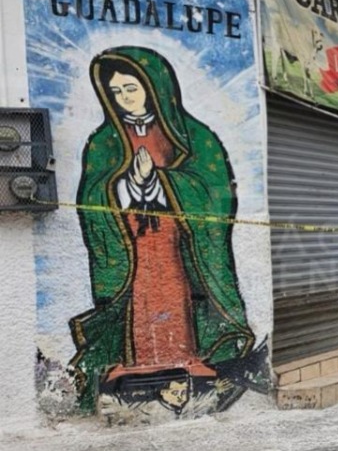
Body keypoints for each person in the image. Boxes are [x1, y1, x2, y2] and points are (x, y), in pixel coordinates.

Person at [69, 46, 257, 414]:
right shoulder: (102, 142)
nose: (124, 98)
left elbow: (213, 188)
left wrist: (160, 181)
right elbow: (92, 193)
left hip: (178, 239)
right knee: (140, 299)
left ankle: (186, 359)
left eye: (132, 89)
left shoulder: (193, 135)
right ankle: (139, 365)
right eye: (117, 92)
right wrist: (127, 183)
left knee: (178, 295)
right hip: (131, 241)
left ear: (155, 87)